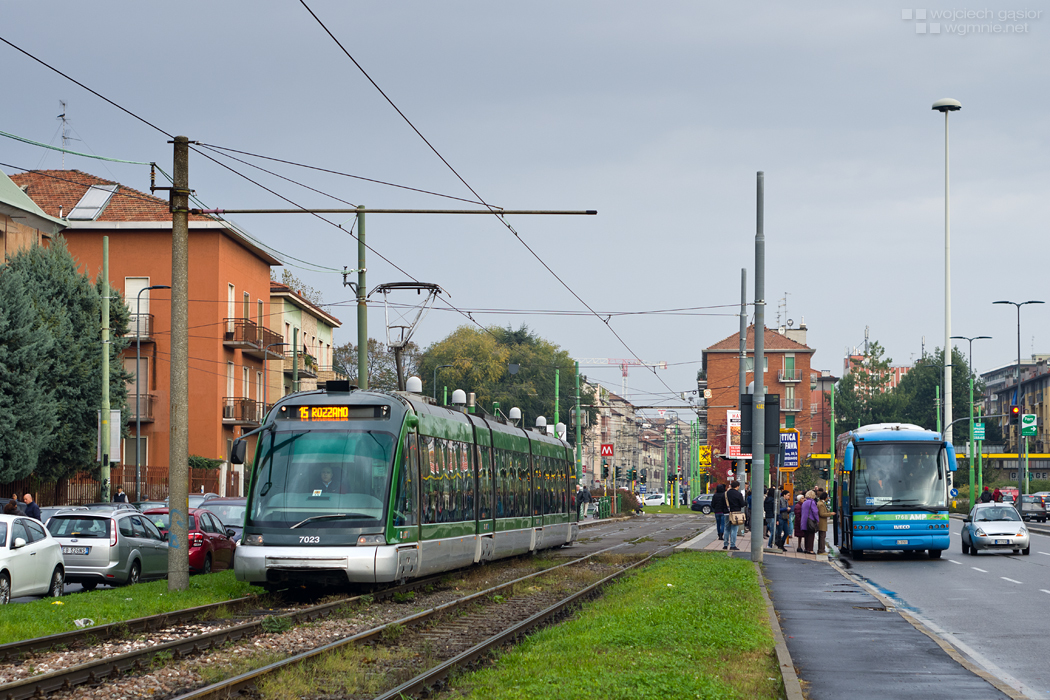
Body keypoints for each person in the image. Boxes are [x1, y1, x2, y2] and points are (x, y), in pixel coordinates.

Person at [724, 480, 746, 551]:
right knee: (734, 529)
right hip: (736, 513)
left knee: (727, 529)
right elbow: (742, 504)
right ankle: (732, 545)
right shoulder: (738, 494)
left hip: (727, 513)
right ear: (737, 486)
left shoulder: (726, 493)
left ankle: (725, 544)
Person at [816, 488, 836, 555]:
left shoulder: (820, 503)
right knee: (822, 537)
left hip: (822, 523)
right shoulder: (821, 504)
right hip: (822, 523)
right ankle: (821, 550)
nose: (827, 498)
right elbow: (822, 514)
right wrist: (830, 514)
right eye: (827, 497)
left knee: (822, 537)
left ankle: (821, 549)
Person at [800, 490, 819, 554]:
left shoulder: (804, 502)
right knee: (811, 535)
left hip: (804, 521)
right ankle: (810, 549)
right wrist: (817, 520)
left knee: (806, 536)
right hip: (810, 521)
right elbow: (815, 512)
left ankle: (806, 548)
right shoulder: (812, 502)